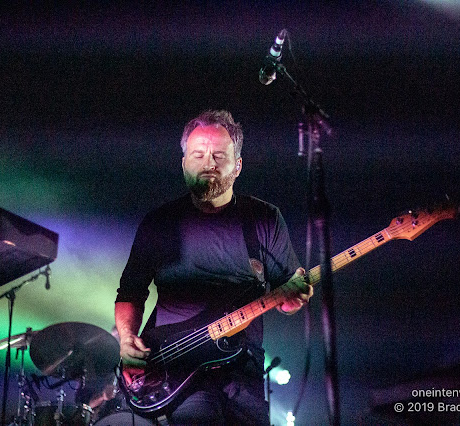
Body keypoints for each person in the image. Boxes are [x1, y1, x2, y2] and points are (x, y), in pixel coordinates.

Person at [115, 110, 313, 425]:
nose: (209, 162)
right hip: (179, 369)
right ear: (184, 164)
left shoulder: (264, 218)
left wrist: (292, 299)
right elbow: (130, 292)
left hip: (244, 370)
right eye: (198, 154)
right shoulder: (159, 223)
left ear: (238, 166)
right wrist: (126, 337)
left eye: (219, 155)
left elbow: (287, 296)